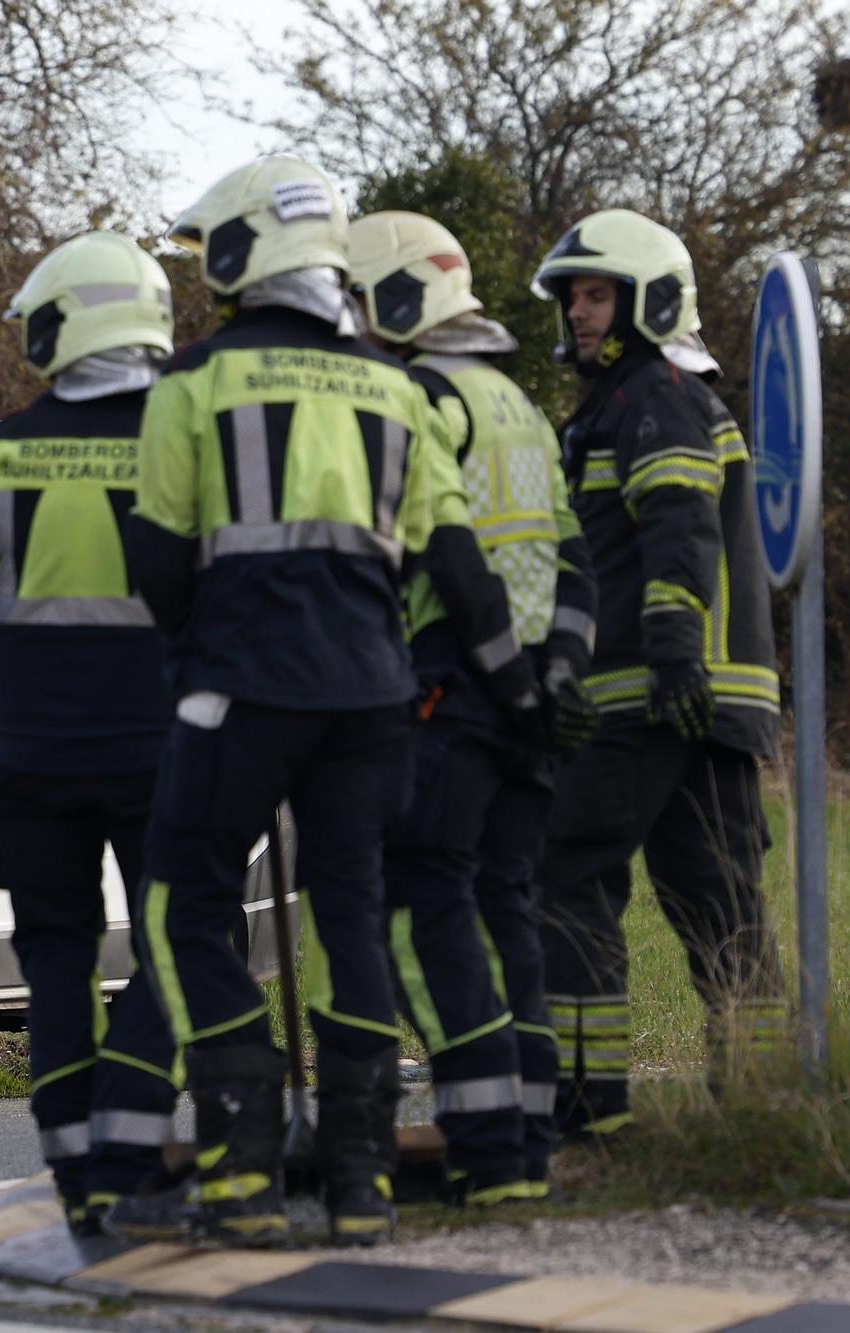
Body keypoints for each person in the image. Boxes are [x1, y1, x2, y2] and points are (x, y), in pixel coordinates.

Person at [113, 154, 525, 1248]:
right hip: (372, 701)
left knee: (182, 905)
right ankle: (359, 1183)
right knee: (351, 918)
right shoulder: (394, 387)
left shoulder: (193, 383)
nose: (205, 272)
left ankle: (242, 1174)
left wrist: (194, 652)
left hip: (239, 688)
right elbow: (451, 556)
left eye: (214, 251)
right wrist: (514, 687)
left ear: (251, 250)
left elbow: (154, 555)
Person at [0, 231, 181, 1237]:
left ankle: (74, 1168)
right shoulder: (184, 438)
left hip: (31, 762)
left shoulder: (3, 447)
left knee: (56, 962)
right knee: (174, 948)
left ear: (69, 322)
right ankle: (128, 1128)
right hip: (167, 757)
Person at [346, 211, 598, 1202]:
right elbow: (572, 555)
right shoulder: (515, 400)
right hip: (529, 701)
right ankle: (527, 1143)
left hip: (453, 692)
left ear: (399, 298)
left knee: (424, 908)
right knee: (507, 906)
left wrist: (499, 674)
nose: (356, 326)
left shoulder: (418, 394)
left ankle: (487, 1148)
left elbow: (446, 553)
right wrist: (555, 675)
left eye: (363, 302)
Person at [530, 210, 783, 1142]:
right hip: (704, 705)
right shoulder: (640, 399)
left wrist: (672, 656)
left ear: (650, 301)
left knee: (569, 878)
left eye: (598, 294)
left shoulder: (653, 396)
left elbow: (679, 525)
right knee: (724, 913)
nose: (581, 314)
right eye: (575, 298)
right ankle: (762, 1109)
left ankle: (587, 1110)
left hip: (652, 695)